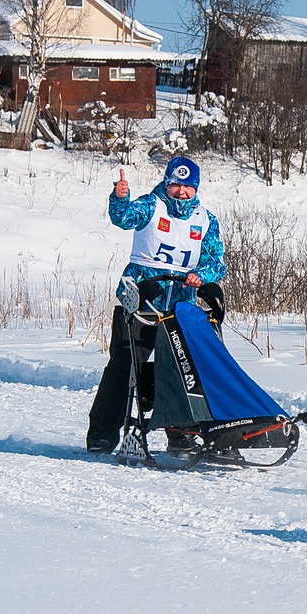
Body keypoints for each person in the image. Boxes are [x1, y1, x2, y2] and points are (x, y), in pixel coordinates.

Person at [86, 156, 227, 454]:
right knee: (124, 366)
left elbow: (217, 262)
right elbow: (123, 218)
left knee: (179, 369)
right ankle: (102, 433)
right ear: (166, 182)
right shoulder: (151, 205)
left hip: (180, 308)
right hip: (141, 300)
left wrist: (201, 276)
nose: (180, 192)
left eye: (187, 187)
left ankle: (180, 432)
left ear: (196, 188)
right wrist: (120, 197)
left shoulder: (205, 219)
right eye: (175, 185)